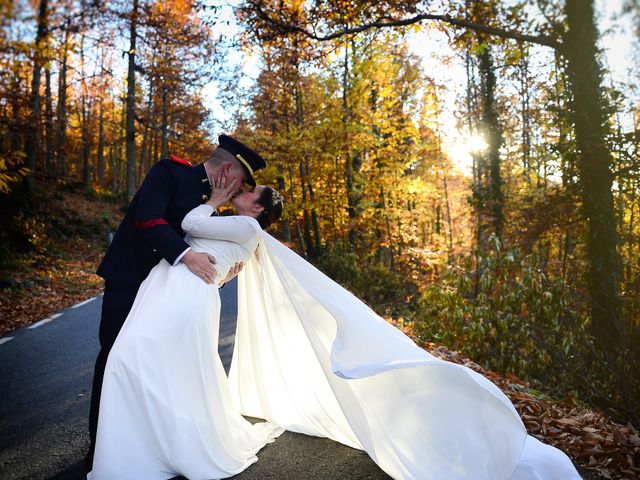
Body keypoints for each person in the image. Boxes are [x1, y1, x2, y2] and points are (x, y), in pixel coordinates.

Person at [90, 179, 582, 479]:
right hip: (180, 294)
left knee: (137, 363)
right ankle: (152, 442)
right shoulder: (246, 232)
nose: (239, 192)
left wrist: (214, 198)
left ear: (258, 210)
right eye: (239, 190)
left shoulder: (247, 228)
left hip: (182, 296)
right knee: (148, 368)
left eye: (247, 193)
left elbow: (192, 224)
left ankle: (153, 446)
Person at [86, 134, 268, 469]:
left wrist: (221, 271)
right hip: (131, 278)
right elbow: (149, 219)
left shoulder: (213, 204)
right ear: (227, 169)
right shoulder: (171, 171)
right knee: (114, 356)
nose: (238, 192)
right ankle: (100, 448)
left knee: (159, 367)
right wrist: (186, 256)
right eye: (241, 182)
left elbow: (209, 248)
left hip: (165, 293)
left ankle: (147, 444)